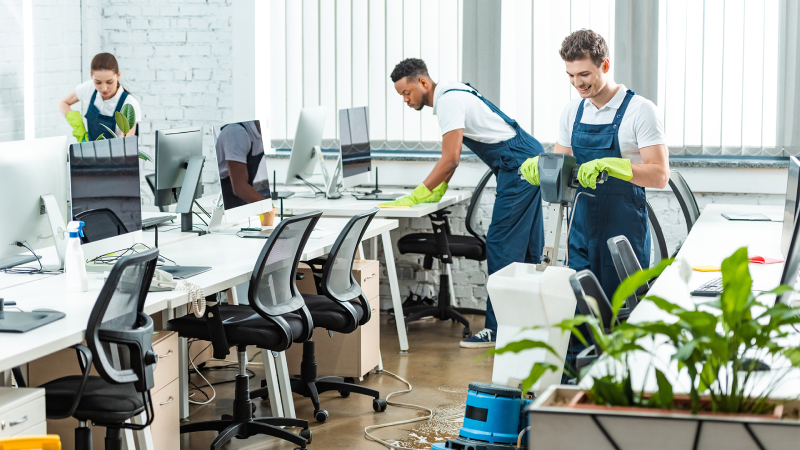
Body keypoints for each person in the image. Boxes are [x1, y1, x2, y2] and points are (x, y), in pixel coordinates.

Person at [519, 29, 669, 375]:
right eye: (571, 76)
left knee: (619, 312)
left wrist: (616, 166)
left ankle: (619, 386)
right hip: (581, 225)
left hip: (623, 230)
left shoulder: (640, 111)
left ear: (605, 65)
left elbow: (660, 175)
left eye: (584, 74)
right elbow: (562, 167)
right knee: (580, 310)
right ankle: (576, 387)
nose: (578, 83)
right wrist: (542, 167)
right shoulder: (572, 112)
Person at [383, 58, 545, 348]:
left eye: (407, 93)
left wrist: (418, 194)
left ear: (423, 83)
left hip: (518, 165)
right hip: (525, 156)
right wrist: (438, 188)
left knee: (502, 244)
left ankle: (498, 329)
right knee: (529, 246)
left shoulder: (448, 102)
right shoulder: (453, 91)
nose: (406, 100)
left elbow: (451, 158)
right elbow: (452, 159)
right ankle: (531, 323)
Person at [57, 53, 142, 142]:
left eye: (109, 82)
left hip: (118, 151)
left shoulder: (129, 105)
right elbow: (63, 103)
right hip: (91, 149)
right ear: (91, 75)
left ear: (118, 75)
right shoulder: (89, 88)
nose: (104, 88)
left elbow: (126, 145)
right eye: (98, 82)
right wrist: (78, 126)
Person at [215, 120, 276, 225]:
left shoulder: (259, 133)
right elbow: (239, 187)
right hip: (228, 199)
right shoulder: (236, 133)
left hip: (242, 197)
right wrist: (267, 208)